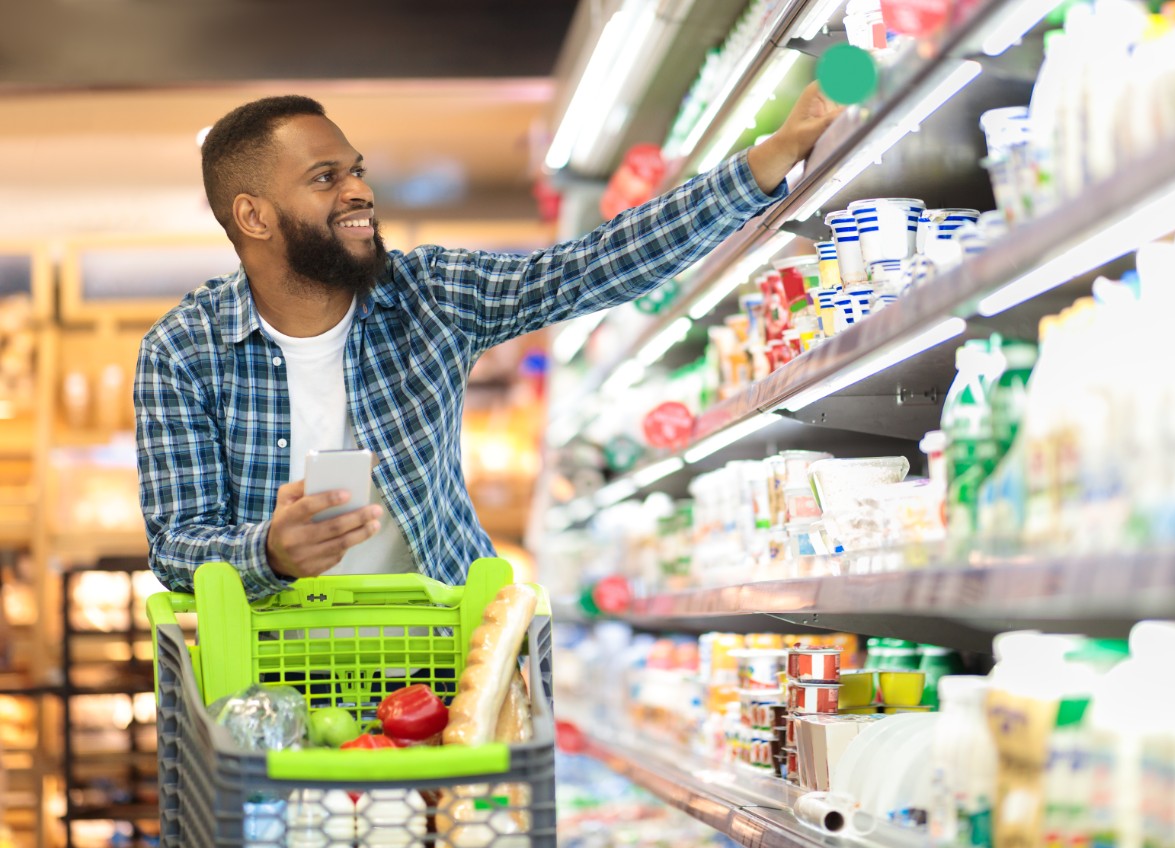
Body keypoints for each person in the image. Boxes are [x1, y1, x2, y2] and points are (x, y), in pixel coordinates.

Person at [134, 83, 840, 601]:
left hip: (442, 651)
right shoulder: (182, 354)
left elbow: (585, 268)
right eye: (326, 178)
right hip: (278, 668)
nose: (358, 192)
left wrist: (763, 164)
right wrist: (270, 550)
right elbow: (176, 545)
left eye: (357, 171)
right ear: (252, 216)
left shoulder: (428, 294)